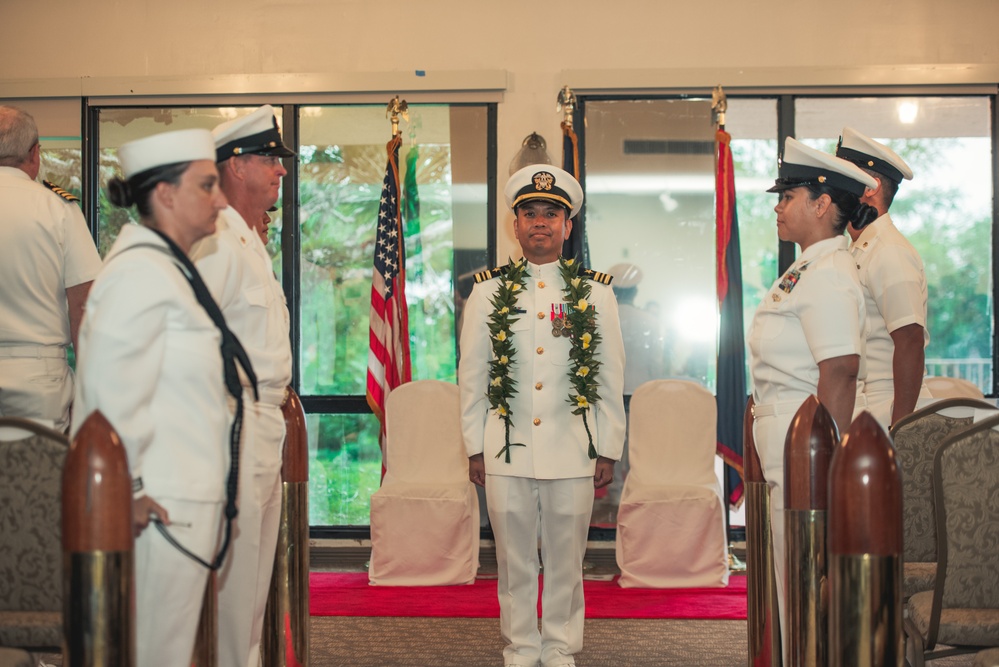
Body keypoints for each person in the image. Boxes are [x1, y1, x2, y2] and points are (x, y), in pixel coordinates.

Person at [71, 128, 250, 666]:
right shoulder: (138, 274)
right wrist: (131, 492)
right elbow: (106, 398)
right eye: (207, 185)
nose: (220, 198)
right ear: (165, 195)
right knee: (153, 654)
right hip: (157, 505)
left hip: (182, 499)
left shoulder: (168, 269)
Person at [459, 164, 626, 667]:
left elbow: (609, 377)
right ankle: (520, 646)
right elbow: (472, 375)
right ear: (515, 224)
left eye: (551, 214)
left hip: (573, 448)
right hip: (505, 450)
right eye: (529, 212)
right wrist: (474, 444)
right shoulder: (487, 292)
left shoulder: (595, 292)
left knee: (565, 561)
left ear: (567, 226)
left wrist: (608, 446)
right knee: (512, 561)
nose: (540, 222)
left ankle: (558, 647)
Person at [748, 137, 877, 661]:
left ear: (822, 203)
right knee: (789, 579)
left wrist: (825, 462)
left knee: (803, 581)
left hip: (806, 443)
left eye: (788, 196)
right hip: (789, 439)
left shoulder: (827, 274)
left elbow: (841, 371)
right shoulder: (809, 267)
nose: (778, 207)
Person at [190, 104, 295, 667]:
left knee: (254, 577)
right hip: (235, 421)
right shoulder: (217, 242)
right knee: (235, 577)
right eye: (268, 159)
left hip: (264, 419)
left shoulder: (249, 240)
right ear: (234, 166)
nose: (281, 171)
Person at [0, 105, 102, 432]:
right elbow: (84, 305)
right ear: (34, 154)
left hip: (38, 375)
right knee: (37, 479)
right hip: (37, 380)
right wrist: (90, 394)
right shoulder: (57, 208)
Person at [836, 126, 931, 427]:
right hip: (865, 405)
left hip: (888, 407)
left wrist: (901, 429)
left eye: (844, 175)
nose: (835, 185)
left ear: (871, 186)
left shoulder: (888, 251)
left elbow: (910, 340)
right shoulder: (859, 250)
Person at [605, 262, 663, 504]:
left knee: (612, 446)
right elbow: (657, 365)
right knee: (637, 448)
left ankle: (615, 493)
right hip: (641, 392)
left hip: (610, 393)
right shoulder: (650, 321)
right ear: (636, 291)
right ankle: (637, 495)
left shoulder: (603, 319)